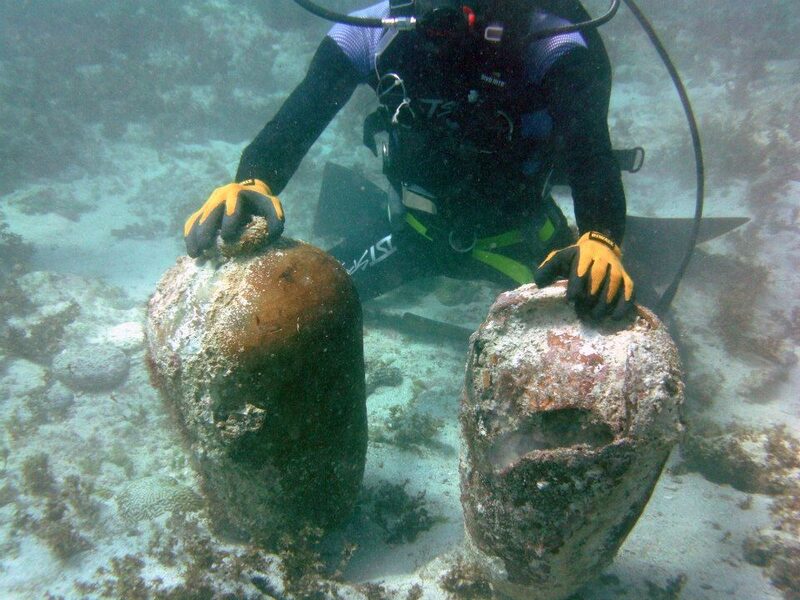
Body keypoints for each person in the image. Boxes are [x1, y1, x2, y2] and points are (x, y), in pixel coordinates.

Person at [183, 0, 635, 319]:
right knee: (292, 310)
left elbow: (588, 145)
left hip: (521, 239)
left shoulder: (550, 42)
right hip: (413, 233)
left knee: (607, 320)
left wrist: (601, 234)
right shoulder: (371, 35)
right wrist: (253, 180)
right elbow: (302, 113)